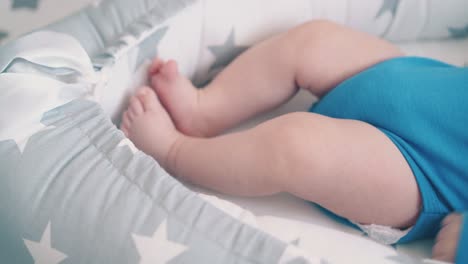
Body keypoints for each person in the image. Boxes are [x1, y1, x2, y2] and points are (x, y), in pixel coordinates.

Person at [120, 20, 468, 263]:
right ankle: (204, 108)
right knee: (313, 41)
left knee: (297, 147)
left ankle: (177, 152)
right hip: (416, 82)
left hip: (424, 174)